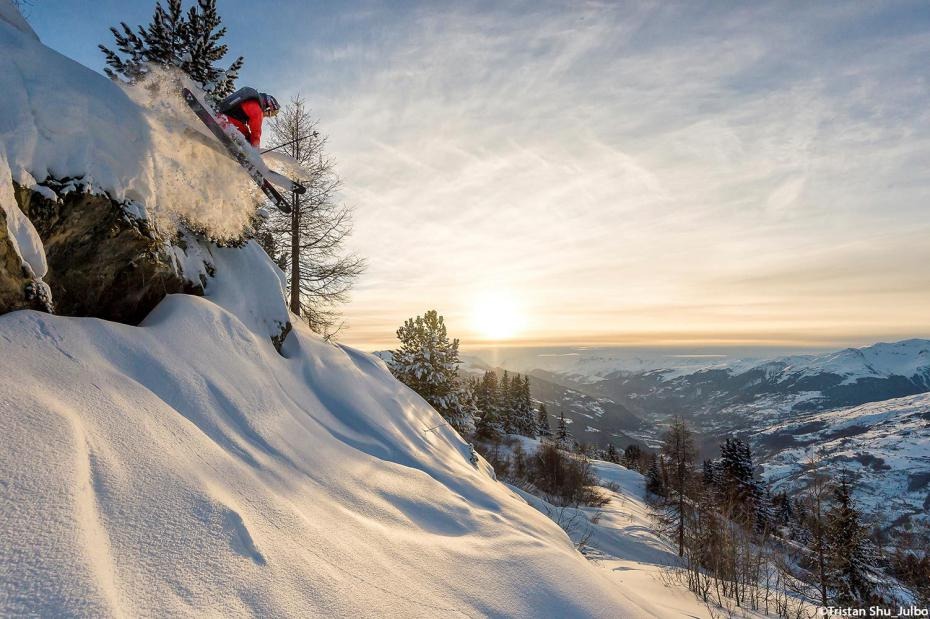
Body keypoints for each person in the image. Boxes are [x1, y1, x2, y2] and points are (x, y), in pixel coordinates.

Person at [215, 87, 280, 148]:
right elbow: (256, 132)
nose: (267, 116)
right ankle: (245, 149)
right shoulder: (257, 111)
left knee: (246, 134)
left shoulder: (252, 101)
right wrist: (255, 149)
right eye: (269, 113)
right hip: (227, 121)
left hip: (226, 116)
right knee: (246, 137)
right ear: (268, 107)